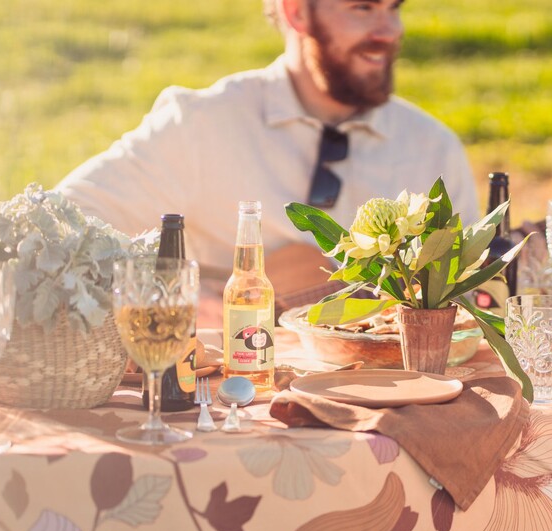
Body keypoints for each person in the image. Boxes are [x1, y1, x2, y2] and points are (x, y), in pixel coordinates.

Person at [56, 0, 478, 321]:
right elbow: (63, 222)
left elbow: (470, 296)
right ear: (296, 11)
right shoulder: (203, 125)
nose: (390, 31)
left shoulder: (432, 148)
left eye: (395, 8)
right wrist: (163, 294)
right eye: (363, 7)